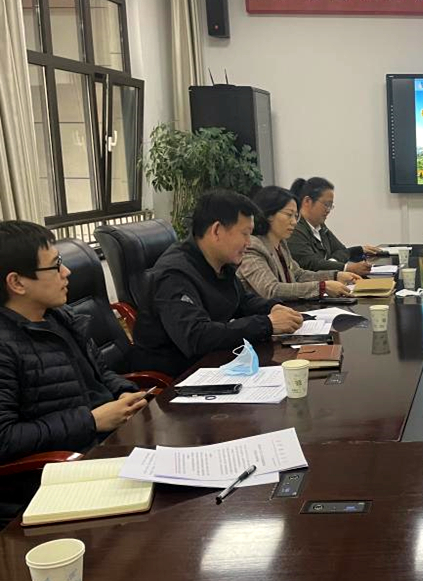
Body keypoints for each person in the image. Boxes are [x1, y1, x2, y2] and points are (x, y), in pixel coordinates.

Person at [0, 221, 148, 523]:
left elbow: (100, 373)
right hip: (55, 481)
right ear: (17, 283)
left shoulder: (59, 316)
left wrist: (125, 393)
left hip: (107, 449)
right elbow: (5, 438)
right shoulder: (5, 345)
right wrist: (91, 421)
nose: (66, 272)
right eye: (55, 266)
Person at [133, 190, 303, 377]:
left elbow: (241, 301)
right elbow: (196, 336)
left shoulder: (220, 264)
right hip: (178, 378)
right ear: (216, 231)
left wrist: (272, 308)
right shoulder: (173, 274)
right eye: (245, 234)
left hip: (216, 363)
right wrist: (267, 324)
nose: (249, 242)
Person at [239, 186, 360, 301]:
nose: (294, 222)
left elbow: (298, 275)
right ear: (269, 214)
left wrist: (336, 275)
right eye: (289, 215)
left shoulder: (281, 244)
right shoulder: (252, 247)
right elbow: (271, 290)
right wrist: (322, 287)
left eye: (296, 216)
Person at [287, 177, 379, 275]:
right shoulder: (294, 229)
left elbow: (342, 250)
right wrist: (346, 268)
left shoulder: (321, 227)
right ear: (307, 201)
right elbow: (311, 264)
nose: (328, 210)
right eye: (326, 204)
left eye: (330, 206)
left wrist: (331, 261)